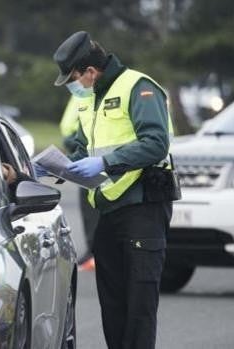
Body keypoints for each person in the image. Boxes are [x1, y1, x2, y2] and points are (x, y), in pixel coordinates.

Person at [52, 31, 176, 349]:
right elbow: (83, 149)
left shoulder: (138, 87)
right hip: (107, 209)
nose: (73, 85)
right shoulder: (90, 99)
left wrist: (107, 163)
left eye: (75, 77)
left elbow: (156, 143)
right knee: (114, 307)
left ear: (91, 71)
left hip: (142, 207)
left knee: (139, 308)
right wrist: (56, 166)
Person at [59, 95, 99, 268]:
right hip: (80, 150)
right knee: (87, 208)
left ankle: (96, 252)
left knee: (95, 209)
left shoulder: (96, 92)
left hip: (95, 157)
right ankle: (92, 250)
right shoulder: (80, 93)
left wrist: (74, 140)